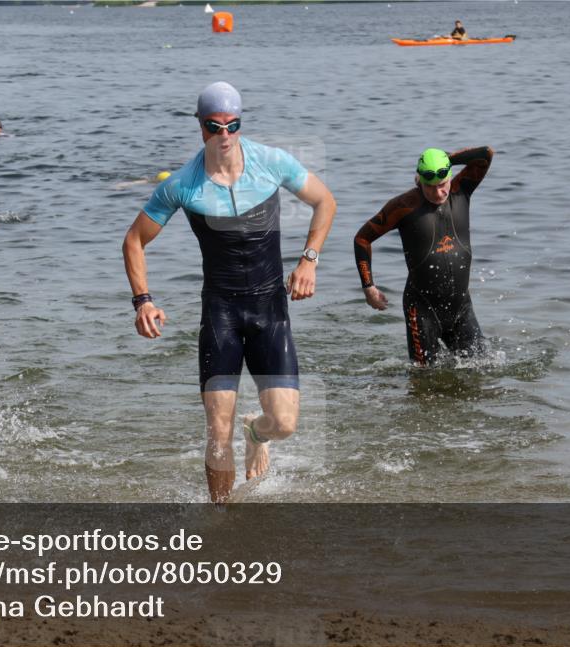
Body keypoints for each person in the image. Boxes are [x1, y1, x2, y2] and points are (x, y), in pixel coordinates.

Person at [122, 82, 336, 504]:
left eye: (232, 126)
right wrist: (143, 300)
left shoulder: (271, 162)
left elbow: (325, 202)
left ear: (240, 124)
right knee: (218, 430)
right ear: (200, 127)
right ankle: (221, 519)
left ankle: (257, 433)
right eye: (214, 126)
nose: (224, 135)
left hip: (270, 310)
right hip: (221, 313)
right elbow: (133, 241)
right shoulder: (182, 184)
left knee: (285, 423)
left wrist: (309, 259)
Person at [354, 146, 494, 366]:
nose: (439, 192)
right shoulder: (402, 206)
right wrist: (368, 287)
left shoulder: (461, 190)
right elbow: (362, 239)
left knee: (483, 370)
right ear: (419, 180)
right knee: (423, 381)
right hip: (422, 310)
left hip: (462, 308)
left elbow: (486, 154)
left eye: (443, 184)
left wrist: (447, 158)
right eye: (431, 187)